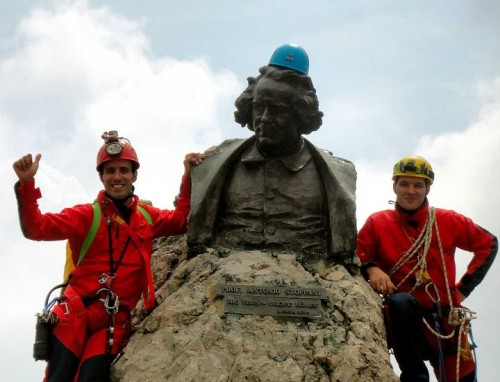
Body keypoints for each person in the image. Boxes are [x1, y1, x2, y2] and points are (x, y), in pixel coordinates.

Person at [13, 131, 204, 381]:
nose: (117, 177)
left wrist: (188, 176)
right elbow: (36, 228)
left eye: (123, 170)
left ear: (134, 175)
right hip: (75, 315)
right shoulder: (85, 216)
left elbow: (180, 220)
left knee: (91, 378)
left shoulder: (147, 217)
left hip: (112, 322)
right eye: (110, 171)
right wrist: (26, 184)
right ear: (101, 177)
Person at [187, 44, 357, 269]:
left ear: (300, 114)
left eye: (277, 110)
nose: (264, 118)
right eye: (259, 107)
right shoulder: (215, 163)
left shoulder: (337, 174)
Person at [357, 155, 497, 382]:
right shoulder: (377, 223)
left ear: (427, 189)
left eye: (418, 185)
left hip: (446, 322)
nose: (410, 191)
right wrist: (371, 268)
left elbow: (488, 244)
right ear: (395, 186)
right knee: (400, 302)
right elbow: (355, 257)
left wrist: (462, 290)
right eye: (404, 184)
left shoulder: (447, 220)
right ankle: (415, 378)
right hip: (406, 324)